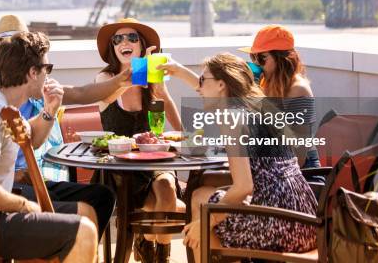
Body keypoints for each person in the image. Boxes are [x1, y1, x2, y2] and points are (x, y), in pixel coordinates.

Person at [0, 15, 123, 241]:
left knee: (101, 197)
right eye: (46, 68)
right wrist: (24, 205)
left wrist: (49, 111)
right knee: (84, 219)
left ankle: (64, 250)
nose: (48, 74)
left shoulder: (8, 105)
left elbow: (32, 136)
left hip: (23, 186)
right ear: (31, 71)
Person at [158, 53, 318, 262]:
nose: (198, 88)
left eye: (202, 81)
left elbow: (244, 188)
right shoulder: (260, 105)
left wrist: (206, 222)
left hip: (278, 223)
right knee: (205, 195)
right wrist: (179, 71)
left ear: (222, 85)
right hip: (304, 219)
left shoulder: (232, 118)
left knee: (201, 207)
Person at [95, 17, 183, 263]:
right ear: (113, 48)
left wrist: (184, 133)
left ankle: (157, 251)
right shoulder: (105, 78)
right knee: (165, 204)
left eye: (132, 37)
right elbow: (110, 95)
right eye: (118, 39)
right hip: (120, 165)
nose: (124, 42)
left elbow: (166, 100)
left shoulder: (150, 77)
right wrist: (138, 71)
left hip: (154, 157)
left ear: (141, 44)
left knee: (166, 190)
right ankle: (146, 242)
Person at [238, 24, 321, 169]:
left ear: (282, 58)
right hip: (271, 168)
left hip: (303, 174)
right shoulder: (265, 84)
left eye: (262, 58)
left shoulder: (298, 91)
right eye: (253, 57)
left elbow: (298, 155)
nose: (256, 63)